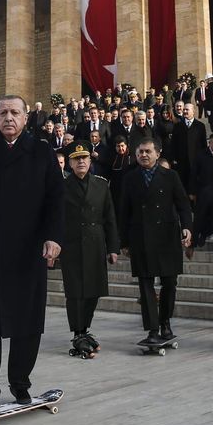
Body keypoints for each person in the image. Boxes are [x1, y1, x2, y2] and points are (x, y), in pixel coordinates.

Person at [0, 95, 63, 417]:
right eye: (3, 112)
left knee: (27, 324)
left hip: (27, 251)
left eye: (15, 112)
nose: (8, 118)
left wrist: (54, 237)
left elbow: (56, 200)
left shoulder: (42, 151)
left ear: (26, 117)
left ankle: (21, 384)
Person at [120, 138, 192, 344]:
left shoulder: (170, 176)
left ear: (157, 154)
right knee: (145, 285)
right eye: (140, 151)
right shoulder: (130, 178)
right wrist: (123, 241)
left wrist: (187, 227)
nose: (143, 155)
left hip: (168, 237)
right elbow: (124, 211)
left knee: (170, 282)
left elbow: (184, 205)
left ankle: (165, 322)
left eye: (147, 151)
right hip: (141, 237)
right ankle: (152, 328)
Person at [60, 141, 119, 358]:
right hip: (72, 244)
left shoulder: (102, 185)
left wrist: (113, 247)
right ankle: (78, 333)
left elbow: (109, 218)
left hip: (95, 244)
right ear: (70, 163)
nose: (81, 161)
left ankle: (85, 328)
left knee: (93, 290)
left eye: (84, 158)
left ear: (90, 160)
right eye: (76, 159)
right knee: (75, 292)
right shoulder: (62, 186)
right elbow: (56, 219)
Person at [171, 102, 207, 196]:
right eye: (184, 110)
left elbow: (203, 144)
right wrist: (174, 159)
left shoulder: (200, 126)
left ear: (193, 111)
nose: (185, 111)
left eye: (187, 109)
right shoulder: (178, 126)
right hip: (181, 162)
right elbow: (174, 144)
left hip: (195, 161)